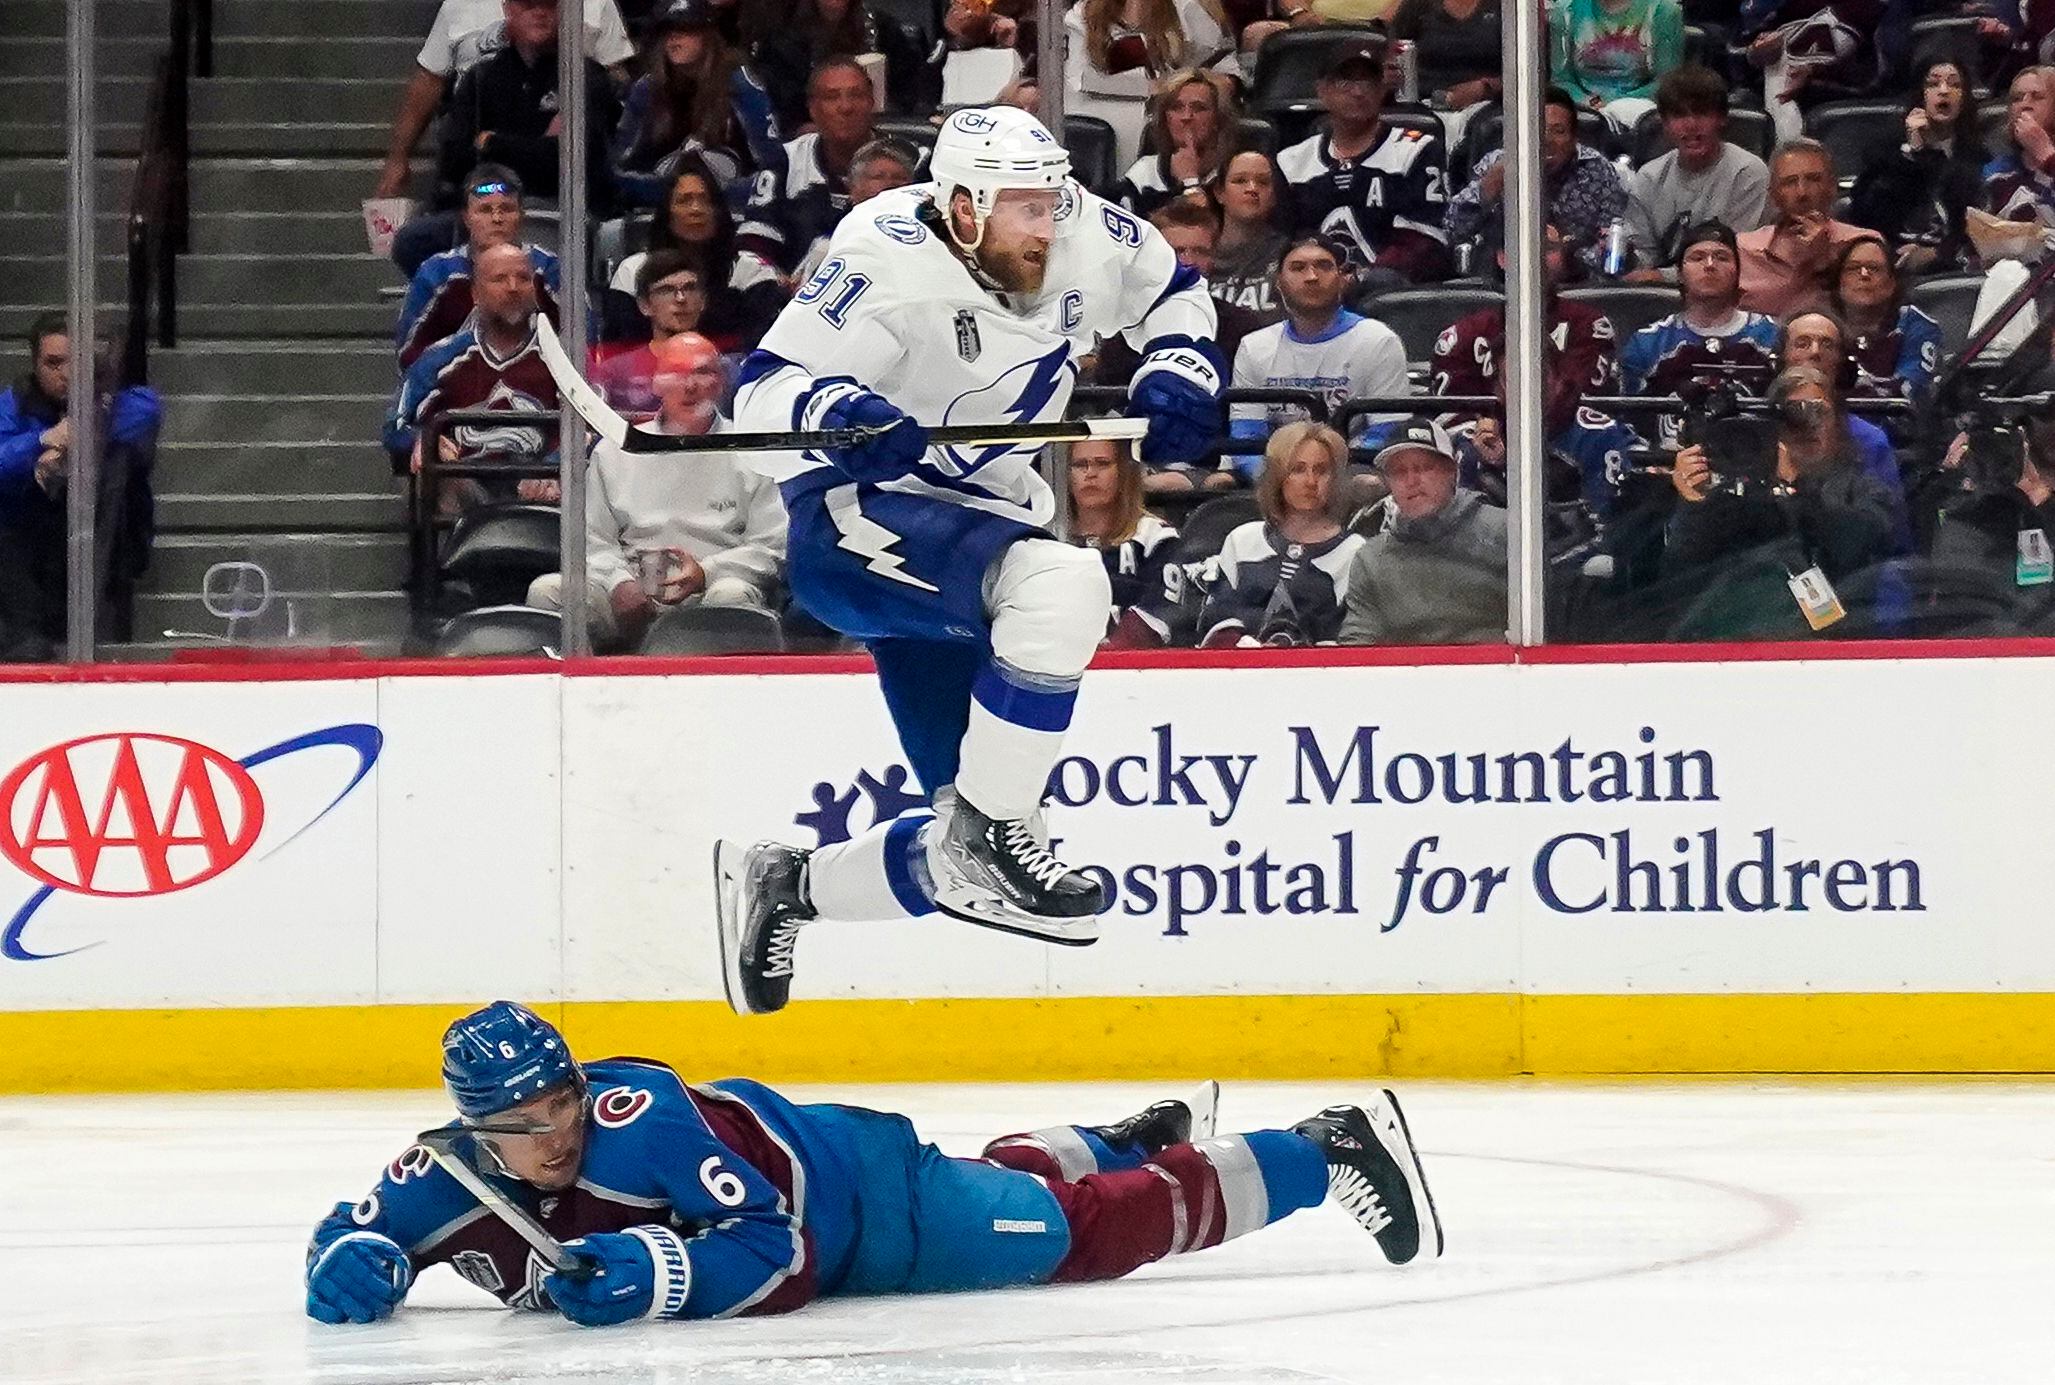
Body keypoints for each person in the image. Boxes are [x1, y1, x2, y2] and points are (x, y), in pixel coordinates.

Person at [718, 107, 1226, 1013]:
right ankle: (993, 827)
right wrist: (835, 410)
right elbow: (758, 397)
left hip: (982, 531)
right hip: (856, 522)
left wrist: (1181, 362)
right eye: (1023, 208)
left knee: (969, 857)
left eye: (1051, 201)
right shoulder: (878, 254)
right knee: (1067, 583)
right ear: (960, 207)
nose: (1048, 224)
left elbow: (1171, 290)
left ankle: (790, 883)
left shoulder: (1081, 230)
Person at [303, 1002, 1441, 1326]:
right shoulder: (445, 1177)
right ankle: (1133, 1135)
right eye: (525, 1121)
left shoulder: (638, 1117)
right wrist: (352, 1261)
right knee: (1011, 1187)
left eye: (561, 1099)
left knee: (1070, 1235)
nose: (555, 1130)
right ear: (474, 1128)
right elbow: (354, 1229)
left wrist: (656, 1271)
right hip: (853, 1185)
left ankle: (1314, 1151)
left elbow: (776, 1250)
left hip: (860, 1202)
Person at [528, 333, 784, 650]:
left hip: (710, 587)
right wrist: (619, 583)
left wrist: (706, 573)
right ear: (655, 384)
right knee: (549, 591)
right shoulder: (614, 452)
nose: (689, 386)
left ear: (720, 383)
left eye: (702, 372)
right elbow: (591, 540)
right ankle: (582, 694)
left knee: (732, 596)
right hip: (628, 585)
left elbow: (772, 545)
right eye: (676, 373)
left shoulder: (751, 451)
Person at [1663, 364, 1900, 637]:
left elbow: (1855, 547)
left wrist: (1797, 485)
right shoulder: (1736, 491)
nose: (1804, 425)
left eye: (1817, 411)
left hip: (1834, 641)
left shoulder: (1863, 488)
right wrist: (1693, 503)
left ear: (1838, 424)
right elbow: (1680, 576)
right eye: (1792, 413)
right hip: (1735, 637)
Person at [1431, 222, 1629, 511]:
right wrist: (1482, 431)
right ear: (1501, 257)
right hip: (1484, 462)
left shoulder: (1589, 326)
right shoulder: (1460, 336)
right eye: (1523, 246)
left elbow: (1571, 399)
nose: (1534, 256)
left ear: (1562, 257)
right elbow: (1447, 414)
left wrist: (1502, 427)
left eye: (1547, 248)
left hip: (1570, 452)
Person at [0, 315, 162, 657]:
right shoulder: (16, 403)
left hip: (106, 539)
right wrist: (42, 441)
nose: (66, 373)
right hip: (28, 543)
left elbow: (147, 410)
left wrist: (75, 436)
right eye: (53, 363)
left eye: (77, 361)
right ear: (34, 365)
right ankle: (26, 643)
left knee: (117, 464)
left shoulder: (122, 399)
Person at [374, 0, 634, 202]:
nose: (539, 13)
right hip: (486, 196)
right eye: (528, 4)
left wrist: (492, 142)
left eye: (547, 5)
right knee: (414, 240)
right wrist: (398, 157)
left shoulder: (587, 77)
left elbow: (571, 156)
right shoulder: (481, 77)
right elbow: (455, 157)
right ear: (508, 10)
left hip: (566, 202)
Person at [386, 243, 562, 514]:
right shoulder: (441, 358)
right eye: (500, 279)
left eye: (524, 278)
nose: (513, 287)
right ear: (476, 294)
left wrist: (555, 466)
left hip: (543, 491)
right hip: (465, 489)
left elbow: (591, 430)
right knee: (439, 474)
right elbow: (395, 425)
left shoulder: (561, 360)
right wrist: (422, 439)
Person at [1276, 38, 1452, 286]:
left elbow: (1425, 240)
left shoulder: (1416, 150)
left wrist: (1360, 280)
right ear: (1322, 89)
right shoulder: (1292, 162)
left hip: (1389, 295)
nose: (1358, 92)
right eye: (1345, 81)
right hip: (1311, 289)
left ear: (1383, 88)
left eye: (1367, 81)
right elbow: (1282, 241)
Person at [1228, 233, 1411, 471]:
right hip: (1276, 473)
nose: (1312, 277)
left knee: (1368, 483)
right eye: (1298, 268)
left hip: (1352, 471)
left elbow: (1388, 430)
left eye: (1324, 266)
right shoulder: (1254, 347)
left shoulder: (1378, 341)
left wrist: (1327, 476)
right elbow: (1246, 436)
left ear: (1342, 279)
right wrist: (1278, 481)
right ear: (1279, 282)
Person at [1193, 421, 1365, 646]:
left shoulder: (1355, 551)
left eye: (1321, 470)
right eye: (1298, 469)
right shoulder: (1242, 540)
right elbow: (1215, 620)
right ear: (1277, 476)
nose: (1311, 481)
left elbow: (1350, 638)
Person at [1341, 418, 1508, 644]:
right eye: (1399, 472)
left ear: (1452, 471)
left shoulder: (1506, 532)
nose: (1411, 481)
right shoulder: (1371, 560)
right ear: (1388, 483)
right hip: (1405, 676)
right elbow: (1358, 643)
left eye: (1424, 468)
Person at [1093, 196, 1265, 413]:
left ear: (1214, 257)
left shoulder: (1241, 327)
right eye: (1177, 251)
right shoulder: (1124, 330)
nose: (1188, 261)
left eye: (1200, 251)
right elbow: (1109, 407)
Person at [604, 154, 790, 352]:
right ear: (667, 213)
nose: (696, 209)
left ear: (719, 211)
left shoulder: (751, 272)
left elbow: (763, 347)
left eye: (705, 200)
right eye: (684, 200)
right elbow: (618, 350)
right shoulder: (632, 271)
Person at [610, 0, 785, 209]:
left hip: (735, 213)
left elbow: (774, 169)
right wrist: (676, 193)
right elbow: (618, 170)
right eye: (667, 30)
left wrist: (714, 195)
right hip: (663, 212)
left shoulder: (741, 86)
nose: (674, 37)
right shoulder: (646, 89)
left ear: (708, 35)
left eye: (686, 29)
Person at [1621, 221, 1780, 450]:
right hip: (1667, 466)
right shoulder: (1647, 342)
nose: (1709, 265)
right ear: (1679, 274)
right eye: (1697, 257)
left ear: (1738, 272)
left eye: (1722, 257)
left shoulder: (1771, 336)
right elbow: (1627, 422)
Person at [1443, 87, 1629, 279]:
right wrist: (1488, 187)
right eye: (1538, 129)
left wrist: (1567, 256)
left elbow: (1614, 239)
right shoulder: (1496, 164)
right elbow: (1453, 230)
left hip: (1578, 277)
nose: (1546, 140)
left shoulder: (1596, 168)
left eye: (1558, 131)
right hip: (1505, 276)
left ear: (1574, 139)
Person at [396, 165, 563, 370]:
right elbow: (408, 356)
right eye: (484, 210)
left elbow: (585, 342)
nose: (496, 218)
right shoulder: (436, 273)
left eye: (507, 209)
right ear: (466, 218)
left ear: (521, 216)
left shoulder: (548, 270)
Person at [1622, 66, 1771, 282]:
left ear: (1722, 119)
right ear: (1665, 124)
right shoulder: (1648, 177)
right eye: (1679, 115)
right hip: (1657, 293)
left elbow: (1734, 258)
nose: (1691, 125)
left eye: (1701, 113)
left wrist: (1663, 277)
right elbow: (1644, 255)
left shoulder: (1748, 173)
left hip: (1727, 286)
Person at [737, 58, 883, 274]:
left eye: (856, 95)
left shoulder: (909, 162)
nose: (845, 107)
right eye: (832, 97)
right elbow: (755, 243)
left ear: (872, 102)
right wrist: (772, 282)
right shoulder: (785, 160)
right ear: (813, 109)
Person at [1846, 55, 1983, 276]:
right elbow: (1864, 216)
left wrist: (1938, 254)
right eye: (1933, 83)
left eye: (1954, 84)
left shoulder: (1977, 158)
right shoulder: (1886, 152)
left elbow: (1976, 227)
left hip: (1952, 266)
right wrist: (1910, 156)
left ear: (1965, 97)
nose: (1944, 90)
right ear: (1920, 95)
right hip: (1890, 263)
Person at [1065, 0, 1238, 171]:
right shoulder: (1083, 13)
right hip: (1093, 116)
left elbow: (1221, 64)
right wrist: (1151, 86)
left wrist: (1222, 81)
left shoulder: (1186, 8)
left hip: (1161, 123)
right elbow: (1078, 78)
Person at [1064, 437, 1185, 642]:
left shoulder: (1156, 537)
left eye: (1102, 464)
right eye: (1080, 464)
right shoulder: (1047, 539)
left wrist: (1111, 657)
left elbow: (1161, 611)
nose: (1090, 473)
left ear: (1124, 472)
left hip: (1130, 667)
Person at [1735, 139, 1868, 316]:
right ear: (1773, 194)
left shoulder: (1863, 245)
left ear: (1832, 187)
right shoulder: (1742, 249)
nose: (1802, 193)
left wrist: (1825, 260)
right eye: (1789, 182)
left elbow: (1866, 315)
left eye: (1813, 180)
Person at [1826, 235, 1942, 406]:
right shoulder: (1818, 325)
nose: (1864, 274)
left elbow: (1909, 392)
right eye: (1853, 269)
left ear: (1891, 283)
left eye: (1874, 268)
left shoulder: (1917, 326)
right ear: (1838, 283)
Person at [591, 251, 711, 415]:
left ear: (703, 300)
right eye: (666, 290)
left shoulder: (727, 371)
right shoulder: (614, 373)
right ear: (644, 305)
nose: (681, 298)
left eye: (690, 288)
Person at [788, 138, 921, 285]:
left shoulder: (929, 239)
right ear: (853, 189)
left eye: (899, 178)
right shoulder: (828, 247)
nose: (891, 184)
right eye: (878, 177)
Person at [1117, 69, 1241, 218]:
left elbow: (1207, 233)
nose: (1186, 117)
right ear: (1166, 118)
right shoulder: (1143, 173)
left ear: (1218, 118)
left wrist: (1190, 181)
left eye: (1199, 108)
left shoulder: (1236, 174)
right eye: (1176, 108)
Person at [1547, 0, 1686, 129]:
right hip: (1583, 112)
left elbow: (1667, 82)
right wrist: (1592, 103)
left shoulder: (1664, 11)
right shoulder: (1565, 12)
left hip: (1643, 112)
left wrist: (1615, 105)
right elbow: (1561, 80)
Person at [1207, 148, 1292, 320]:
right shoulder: (1199, 250)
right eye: (1240, 181)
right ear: (1219, 193)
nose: (1252, 189)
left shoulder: (1289, 254)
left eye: (1263, 182)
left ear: (1274, 196)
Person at [1391, 0, 1505, 117]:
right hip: (1425, 108)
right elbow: (1391, 48)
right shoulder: (1418, 5)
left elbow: (1521, 70)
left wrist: (1486, 88)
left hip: (1488, 111)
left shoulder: (1503, 7)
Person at [1983, 65, 2055, 232]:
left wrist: (2046, 155)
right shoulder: (1996, 171)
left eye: (2037, 97)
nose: (2025, 105)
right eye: (2017, 98)